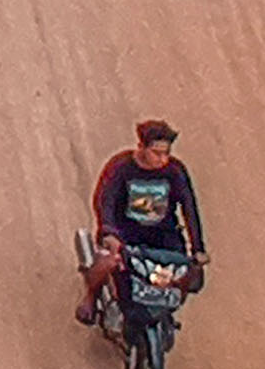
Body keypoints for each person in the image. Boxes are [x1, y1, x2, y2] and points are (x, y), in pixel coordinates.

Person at [83, 120, 207, 323]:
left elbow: (189, 208)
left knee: (188, 276)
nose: (162, 159)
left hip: (164, 237)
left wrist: (198, 248)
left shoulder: (175, 172)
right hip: (124, 234)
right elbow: (105, 201)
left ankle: (164, 312)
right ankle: (90, 298)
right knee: (108, 261)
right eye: (156, 153)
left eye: (166, 153)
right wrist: (109, 233)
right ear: (141, 147)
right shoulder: (120, 167)